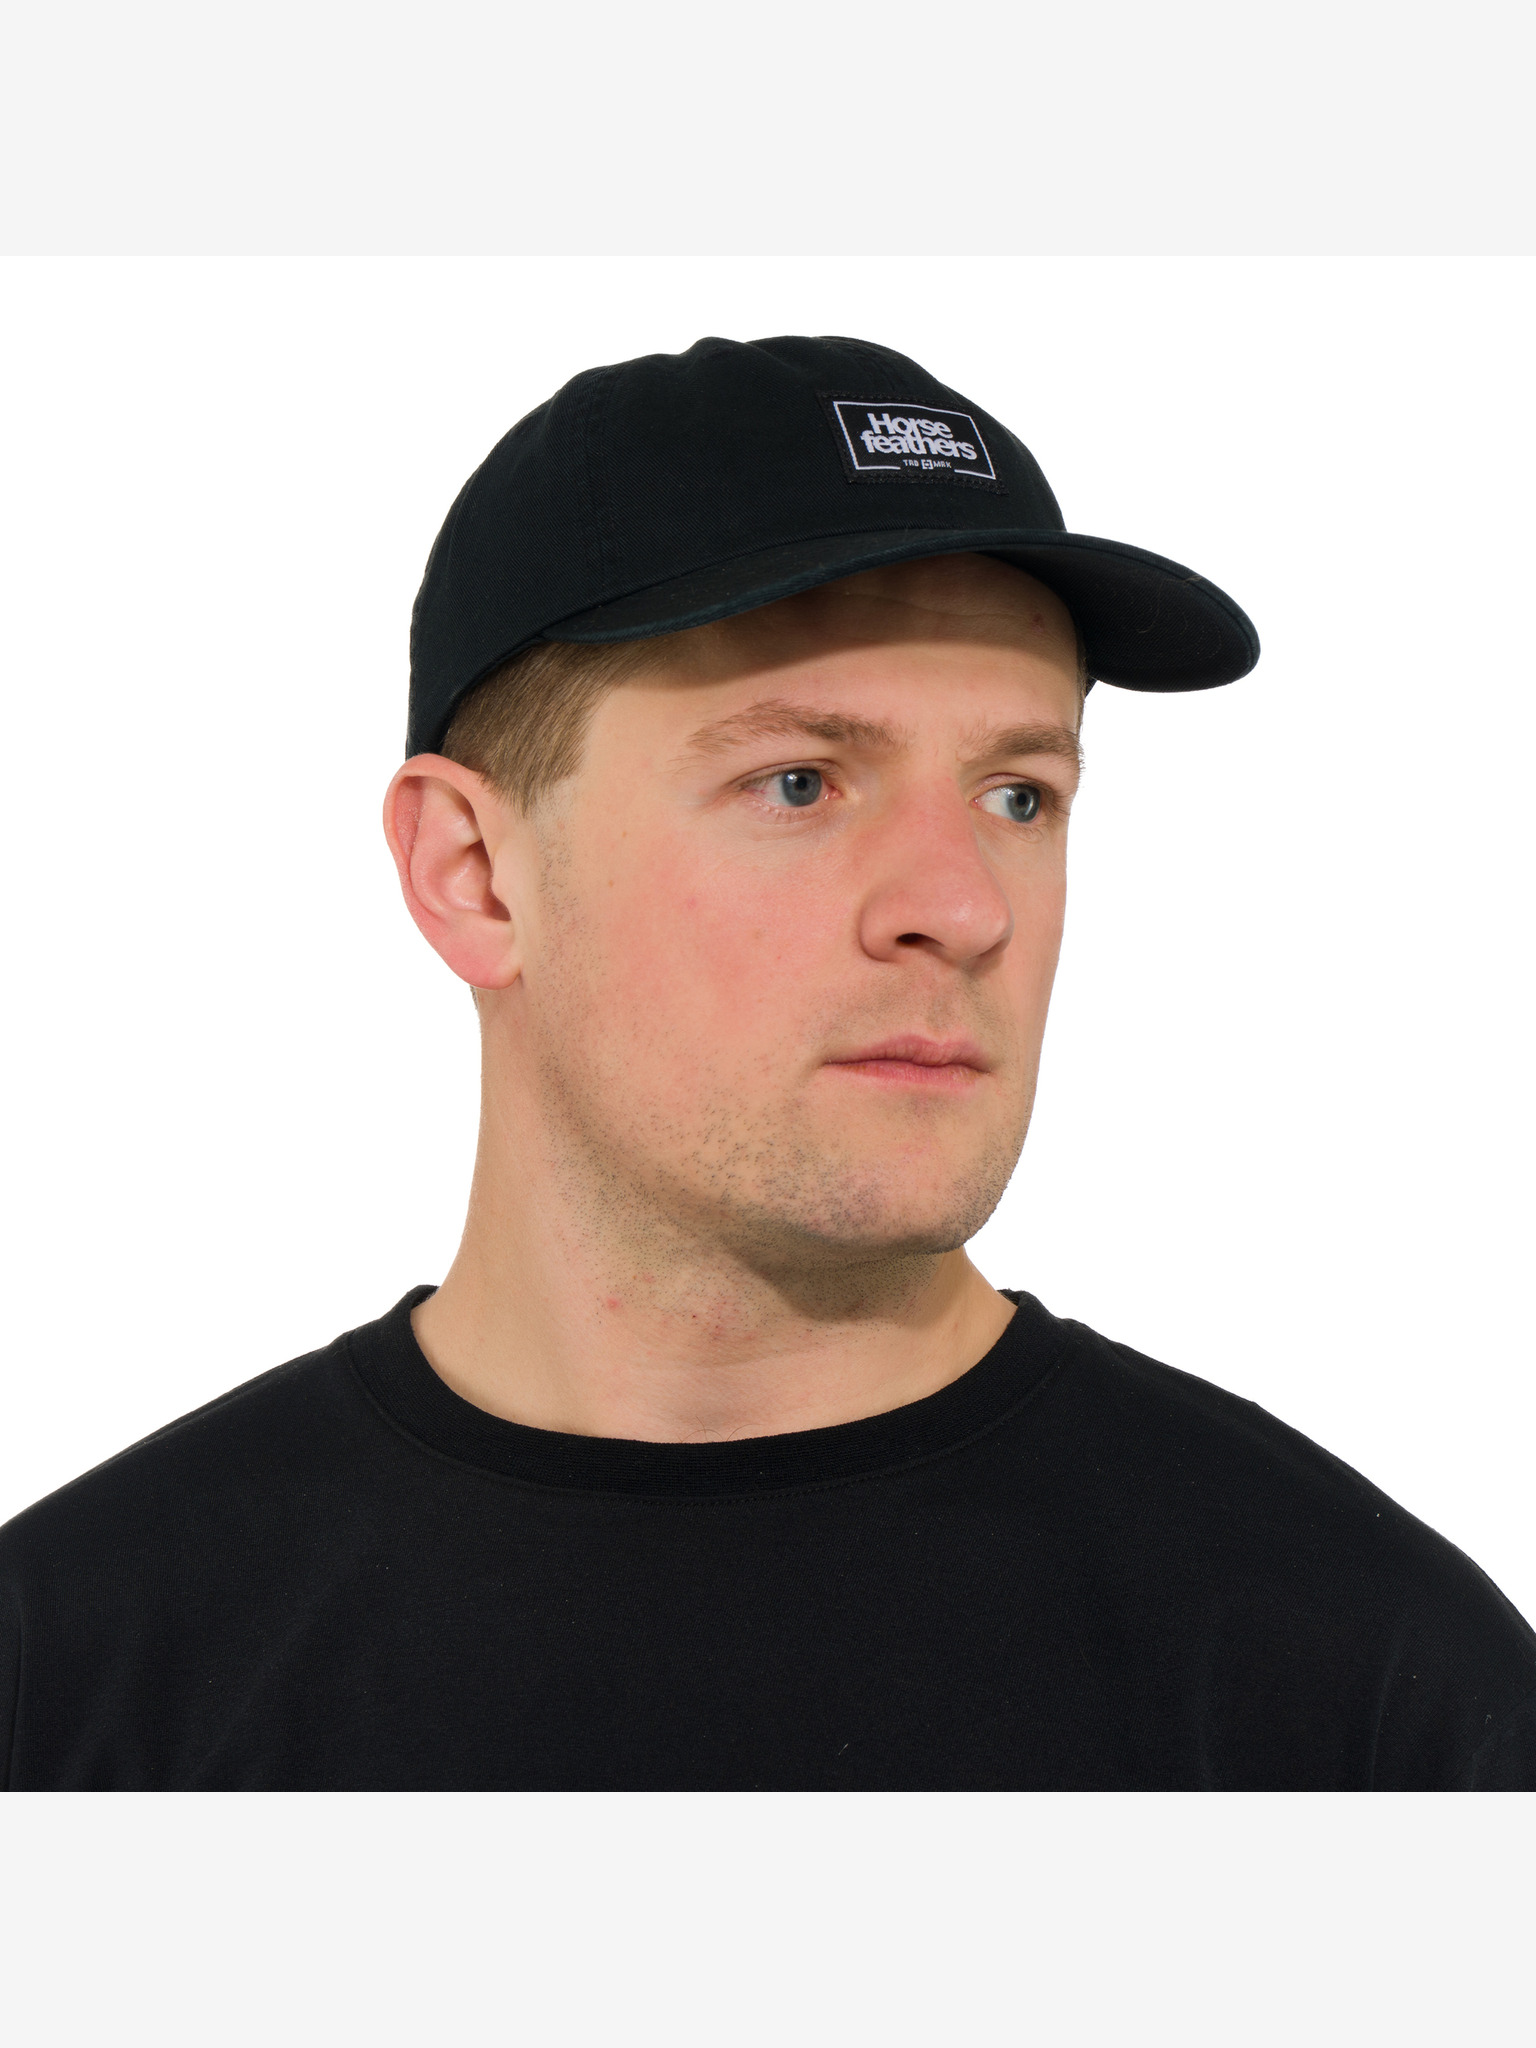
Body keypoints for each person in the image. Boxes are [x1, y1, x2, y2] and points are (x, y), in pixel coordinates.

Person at [2, 334, 1531, 1791]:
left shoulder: (1376, 1703)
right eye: (799, 782)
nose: (964, 908)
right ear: (473, 873)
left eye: (1018, 795)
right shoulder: (74, 1689)